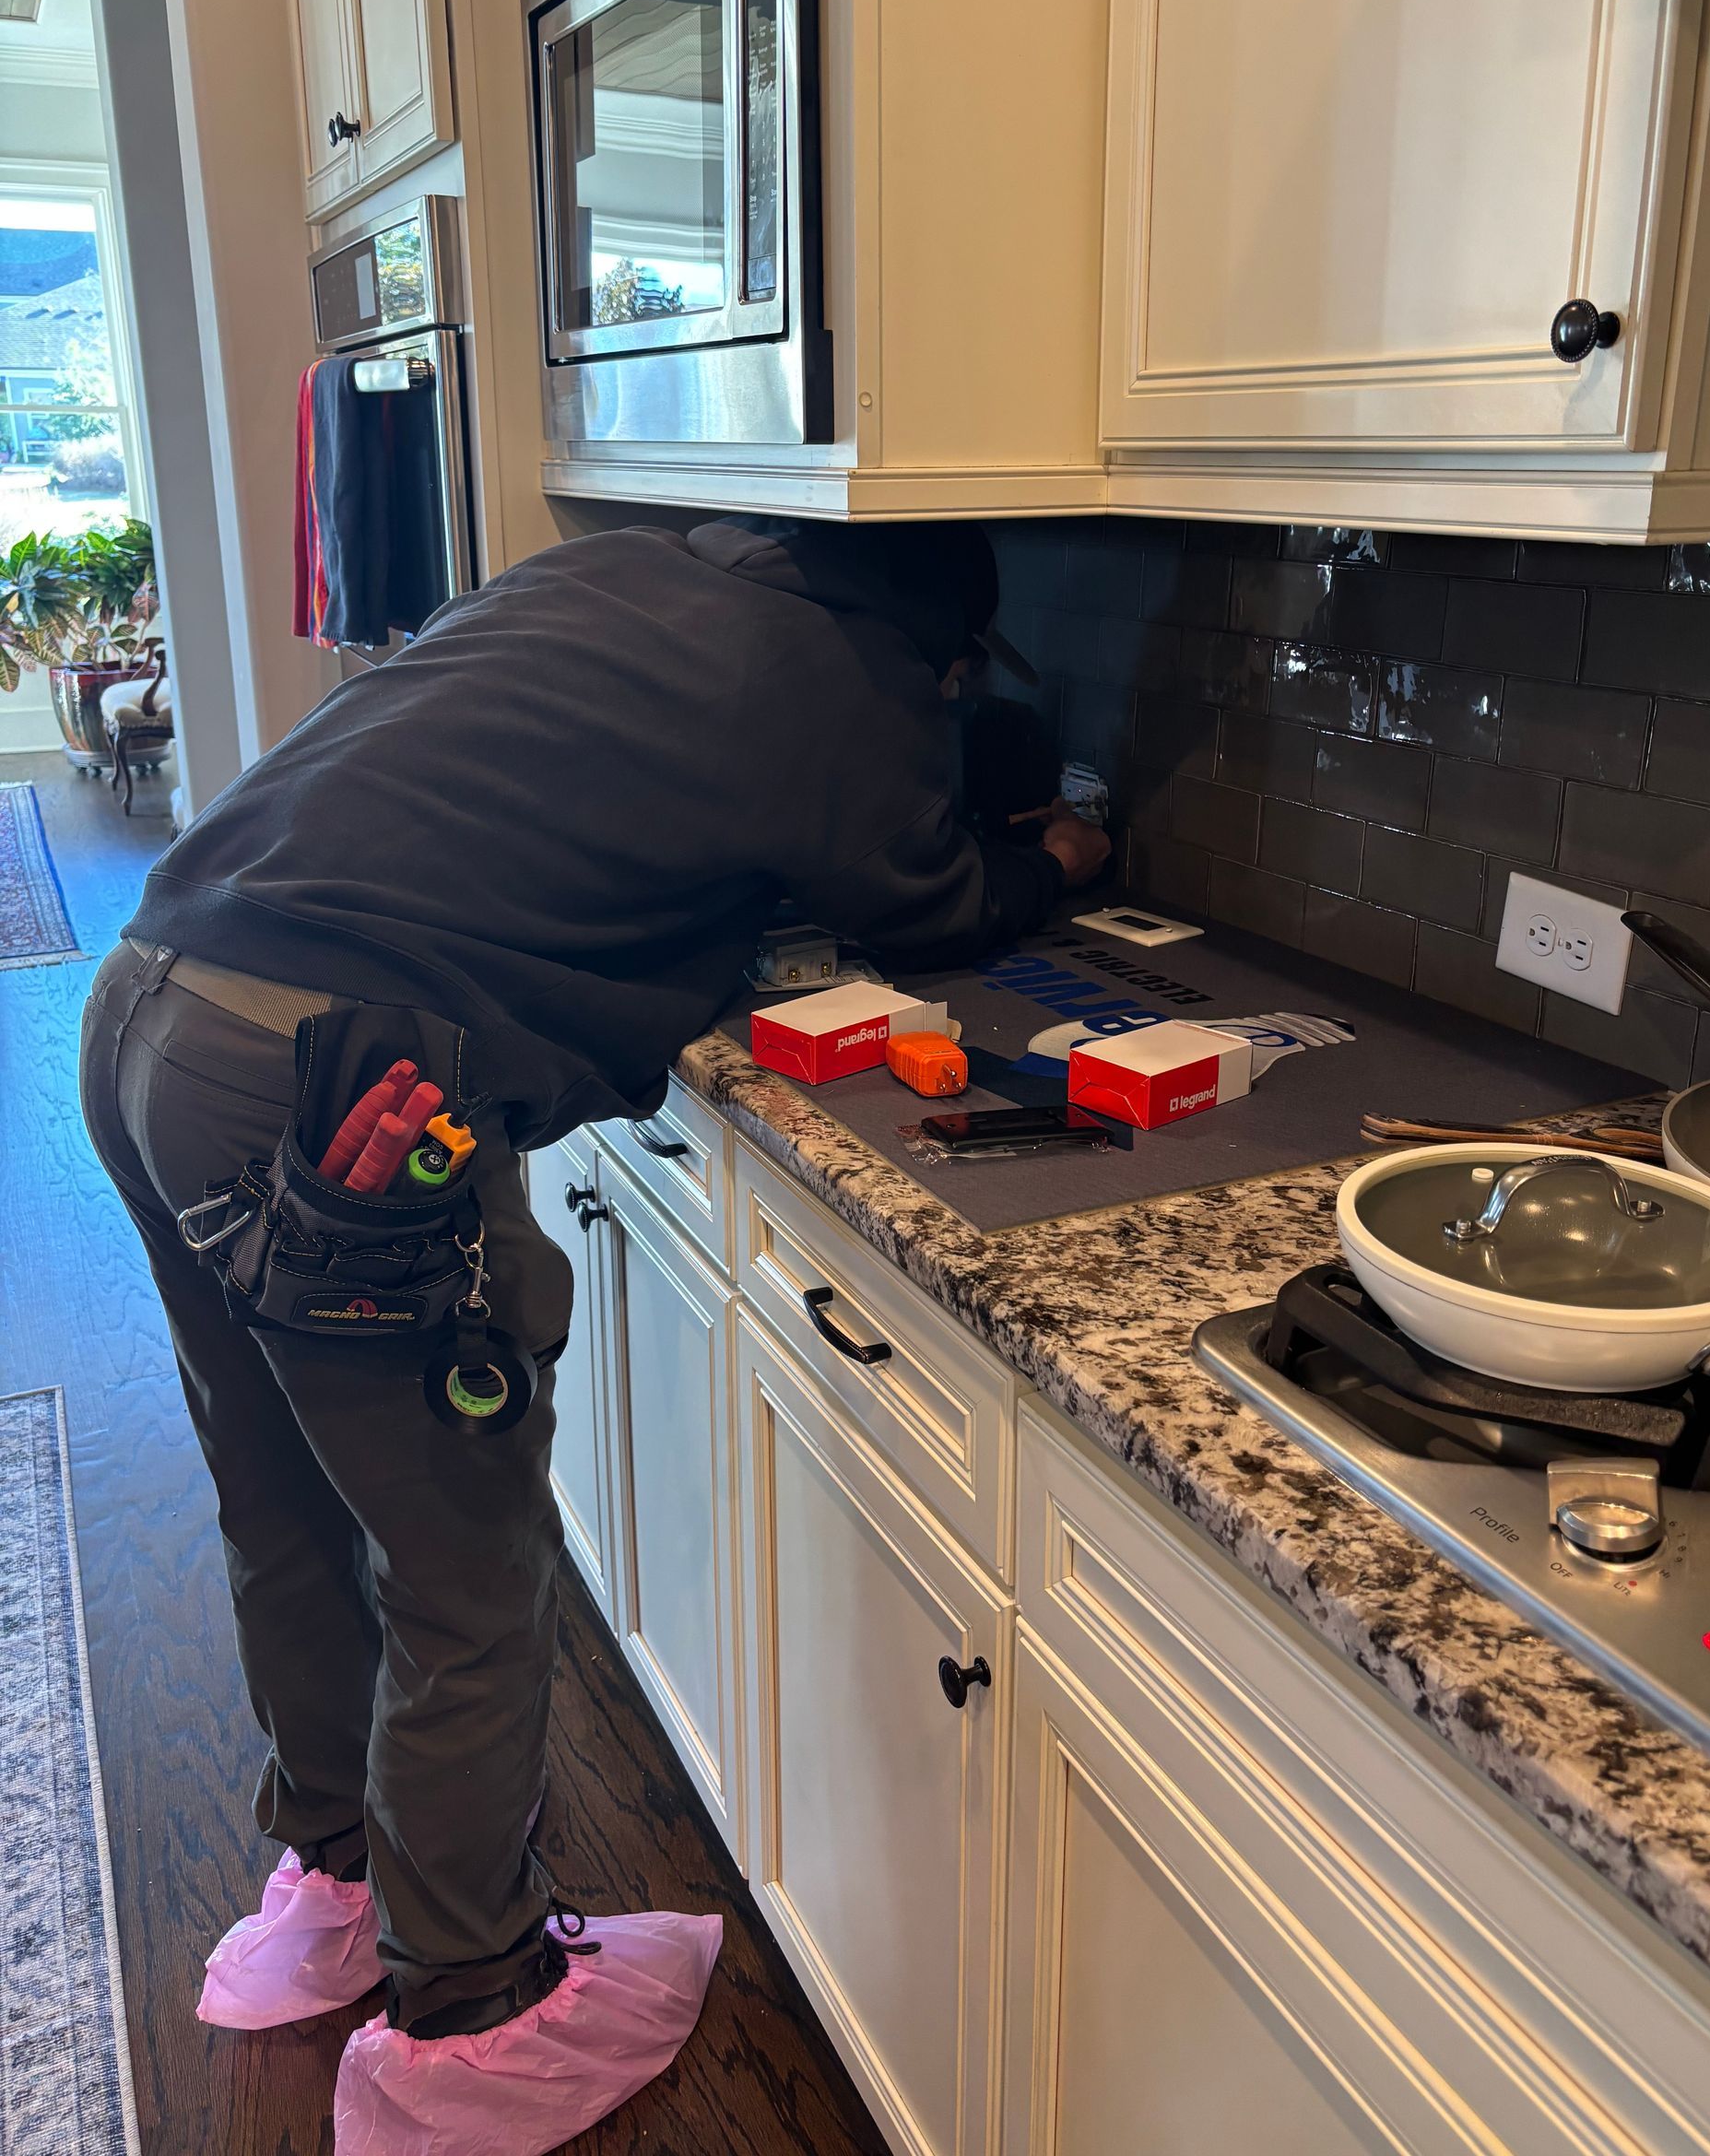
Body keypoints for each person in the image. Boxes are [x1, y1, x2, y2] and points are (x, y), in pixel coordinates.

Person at [78, 515, 1108, 2152]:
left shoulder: (612, 574)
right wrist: (1067, 852)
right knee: (466, 1573)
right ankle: (472, 2016)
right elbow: (934, 903)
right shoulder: (849, 674)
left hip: (148, 996)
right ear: (949, 652)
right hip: (342, 1078)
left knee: (283, 1499)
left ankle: (340, 1882)